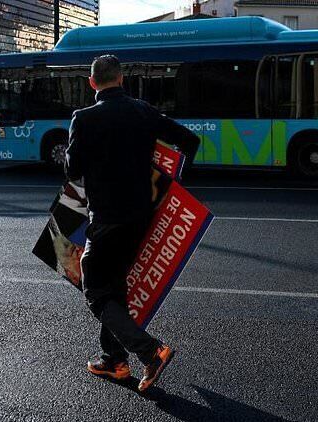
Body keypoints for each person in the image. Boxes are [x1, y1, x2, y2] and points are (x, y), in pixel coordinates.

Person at [65, 55, 199, 392]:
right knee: (115, 288)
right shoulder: (143, 111)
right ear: (122, 79)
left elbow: (72, 171)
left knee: (94, 290)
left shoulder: (83, 118)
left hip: (106, 219)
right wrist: (173, 186)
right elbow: (190, 141)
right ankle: (115, 362)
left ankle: (151, 351)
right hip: (141, 218)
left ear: (92, 83)